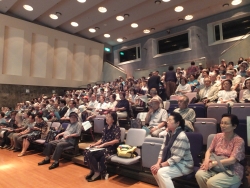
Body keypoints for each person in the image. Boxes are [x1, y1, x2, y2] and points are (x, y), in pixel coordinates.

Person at [195, 114, 245, 188]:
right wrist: (206, 161)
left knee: (211, 183)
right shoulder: (217, 136)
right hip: (215, 166)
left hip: (231, 169)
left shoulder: (239, 141)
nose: (222, 125)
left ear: (234, 126)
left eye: (226, 123)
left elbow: (232, 160)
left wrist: (214, 163)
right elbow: (209, 150)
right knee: (199, 175)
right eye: (221, 123)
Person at [151, 112, 194, 188]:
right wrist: (158, 164)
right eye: (167, 120)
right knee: (155, 170)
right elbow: (162, 150)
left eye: (170, 120)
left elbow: (176, 158)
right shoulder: (168, 134)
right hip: (173, 163)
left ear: (177, 123)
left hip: (184, 164)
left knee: (161, 172)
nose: (167, 122)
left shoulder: (182, 136)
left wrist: (161, 165)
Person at [84, 112, 121, 182]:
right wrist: (94, 145)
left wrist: (104, 144)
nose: (107, 118)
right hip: (103, 147)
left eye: (109, 117)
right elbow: (102, 139)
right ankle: (92, 170)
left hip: (110, 149)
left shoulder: (116, 128)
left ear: (113, 120)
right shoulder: (105, 127)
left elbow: (117, 140)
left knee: (91, 153)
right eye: (107, 116)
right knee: (87, 151)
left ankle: (97, 173)